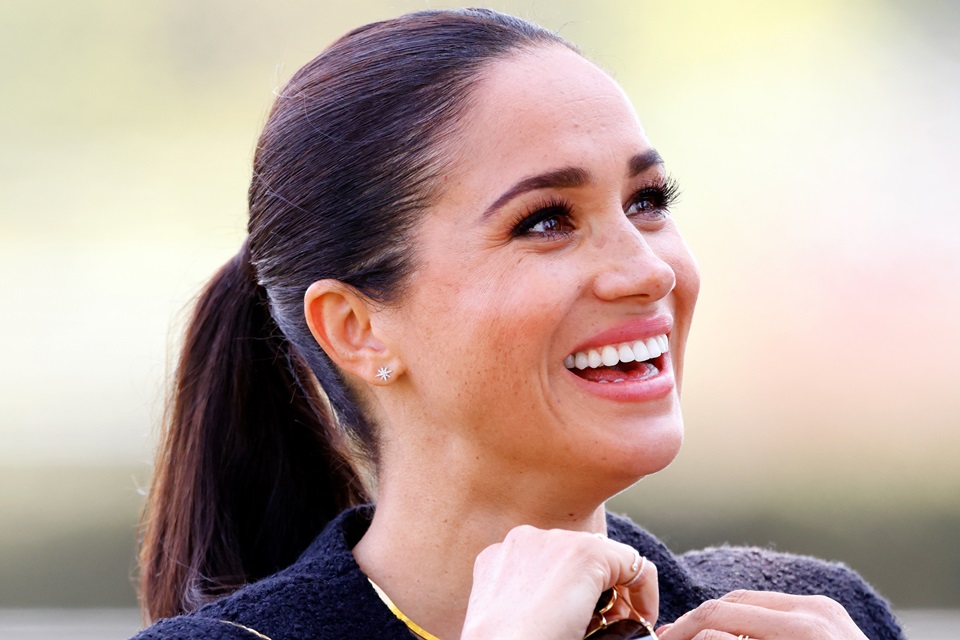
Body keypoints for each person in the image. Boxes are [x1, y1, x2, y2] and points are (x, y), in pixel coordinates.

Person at [132, 8, 904, 640]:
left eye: (647, 201)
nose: (648, 270)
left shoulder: (815, 617)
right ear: (357, 328)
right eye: (545, 221)